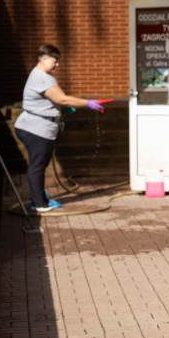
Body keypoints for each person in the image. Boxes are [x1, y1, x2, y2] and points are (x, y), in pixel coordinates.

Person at [14, 45, 110, 212]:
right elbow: (63, 99)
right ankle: (39, 204)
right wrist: (88, 103)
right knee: (37, 166)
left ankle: (39, 198)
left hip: (37, 126)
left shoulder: (40, 75)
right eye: (55, 61)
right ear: (44, 58)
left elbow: (53, 100)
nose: (57, 65)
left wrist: (61, 109)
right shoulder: (43, 78)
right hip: (35, 129)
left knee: (39, 165)